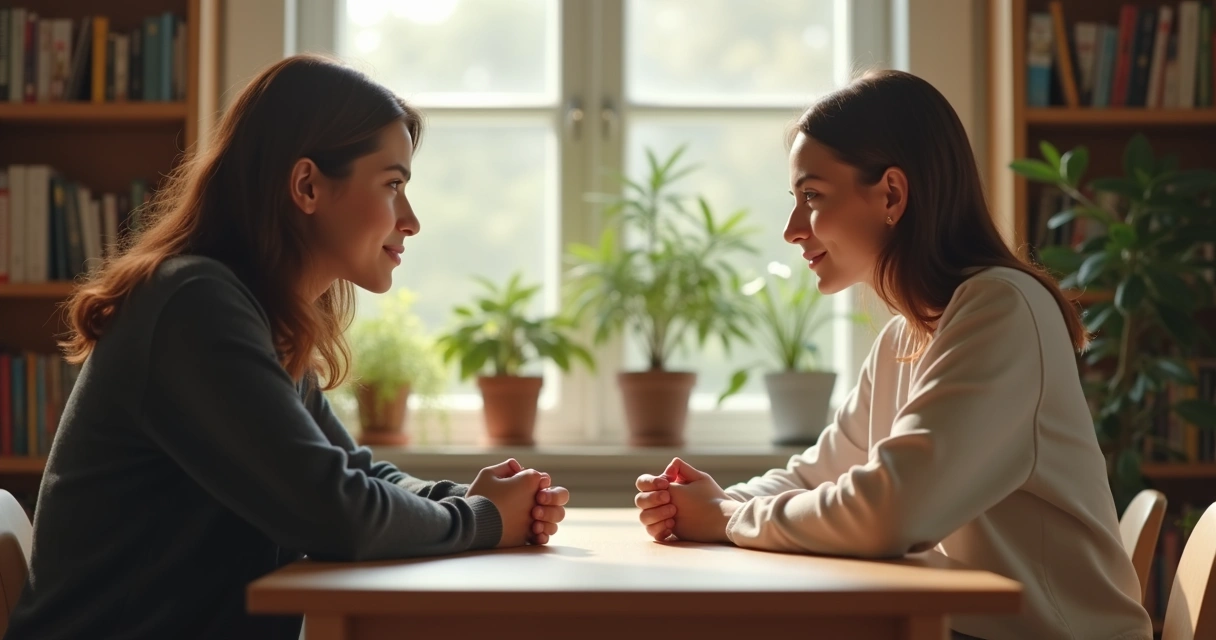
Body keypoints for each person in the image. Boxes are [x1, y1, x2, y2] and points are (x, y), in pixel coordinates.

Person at [5, 54, 568, 640]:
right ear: (306, 186)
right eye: (392, 185)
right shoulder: (193, 306)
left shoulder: (256, 314)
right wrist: (479, 519)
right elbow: (335, 513)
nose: (411, 220)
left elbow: (351, 471)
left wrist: (470, 498)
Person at [633, 70, 1152, 640]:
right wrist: (711, 500)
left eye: (812, 197)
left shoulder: (1002, 310)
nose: (791, 229)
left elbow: (893, 512)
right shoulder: (909, 335)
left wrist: (728, 520)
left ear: (892, 195)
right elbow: (821, 474)